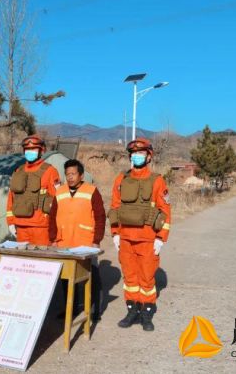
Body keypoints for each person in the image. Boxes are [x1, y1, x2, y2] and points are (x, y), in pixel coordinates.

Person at [108, 137, 171, 332]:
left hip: (147, 239)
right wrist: (115, 234)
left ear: (149, 156)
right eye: (134, 153)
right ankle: (132, 311)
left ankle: (146, 313)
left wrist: (161, 238)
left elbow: (165, 211)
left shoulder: (157, 181)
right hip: (126, 238)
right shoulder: (121, 179)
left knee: (147, 278)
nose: (137, 156)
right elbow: (115, 207)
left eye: (141, 153)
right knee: (129, 277)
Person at [49, 159, 105, 320]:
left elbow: (100, 217)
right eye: (67, 174)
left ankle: (94, 310)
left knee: (91, 276)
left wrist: (97, 240)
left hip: (86, 242)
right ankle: (70, 309)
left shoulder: (91, 190)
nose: (70, 177)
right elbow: (52, 216)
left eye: (73, 174)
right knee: (66, 278)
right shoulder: (60, 192)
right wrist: (53, 238)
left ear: (81, 175)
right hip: (64, 242)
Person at [6, 135, 60, 245]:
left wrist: (55, 227)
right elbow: (11, 198)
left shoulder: (50, 171)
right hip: (20, 227)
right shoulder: (18, 171)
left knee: (42, 260)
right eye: (27, 149)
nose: (30, 152)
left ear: (41, 150)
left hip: (41, 227)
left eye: (33, 149)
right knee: (23, 261)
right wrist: (11, 222)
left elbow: (57, 200)